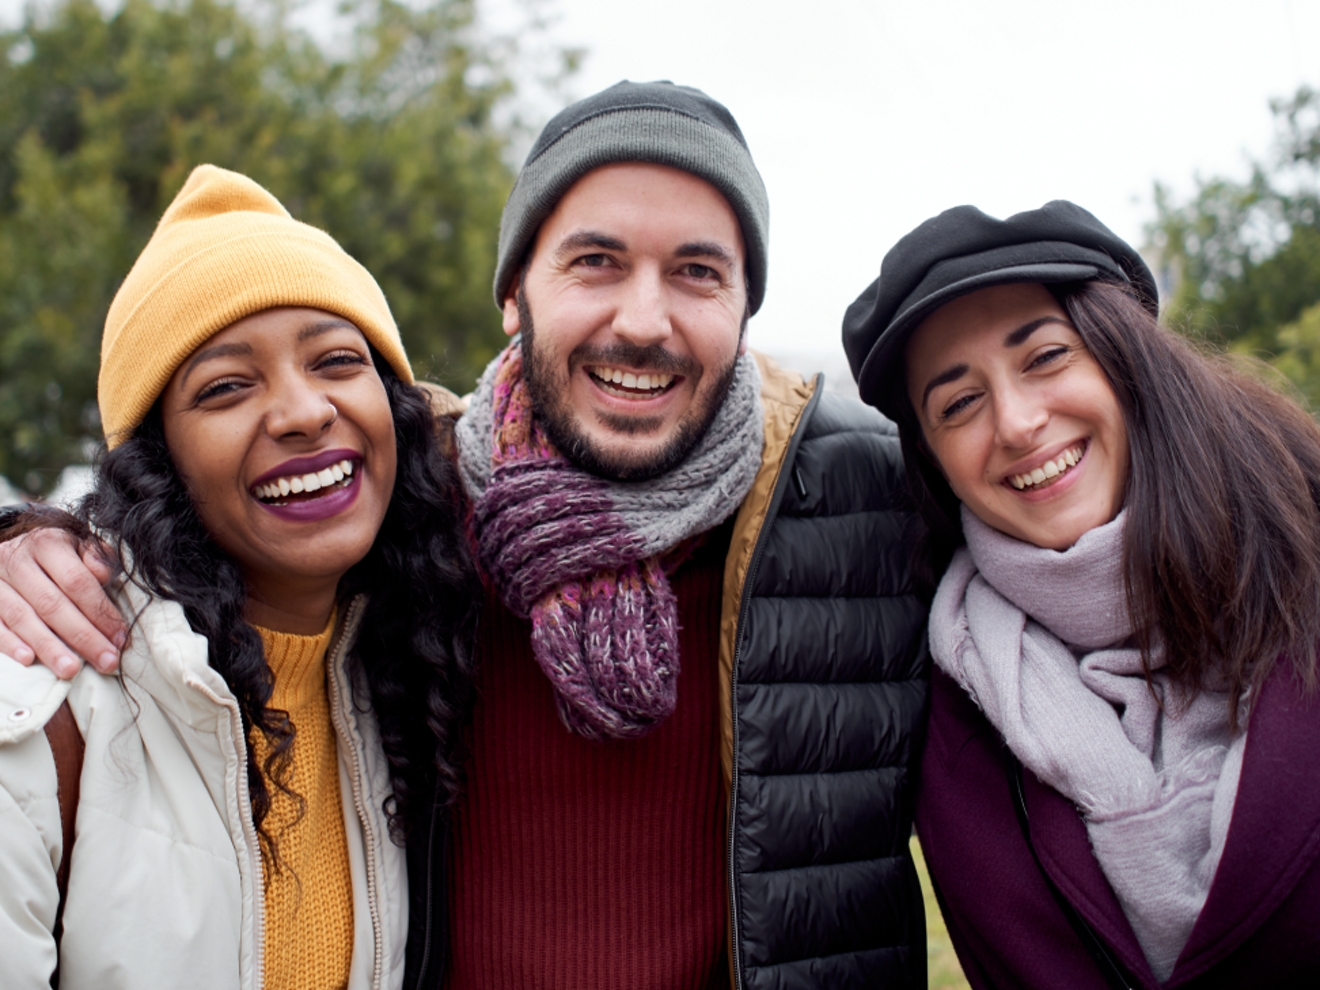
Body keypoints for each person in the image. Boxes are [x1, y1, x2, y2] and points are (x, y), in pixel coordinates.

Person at [0, 82, 931, 988]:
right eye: (595, 262)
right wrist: (26, 542)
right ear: (514, 296)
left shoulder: (859, 496)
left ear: (743, 309)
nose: (643, 321)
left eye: (697, 271)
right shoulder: (411, 515)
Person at [0, 165, 478, 988]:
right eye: (225, 387)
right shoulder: (41, 698)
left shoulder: (408, 673)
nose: (302, 412)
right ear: (157, 461)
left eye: (336, 360)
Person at [842, 200, 1320, 989]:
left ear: (1127, 358)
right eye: (958, 403)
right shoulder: (949, 710)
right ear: (933, 460)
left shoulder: (1302, 555)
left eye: (1046, 356)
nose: (1020, 423)